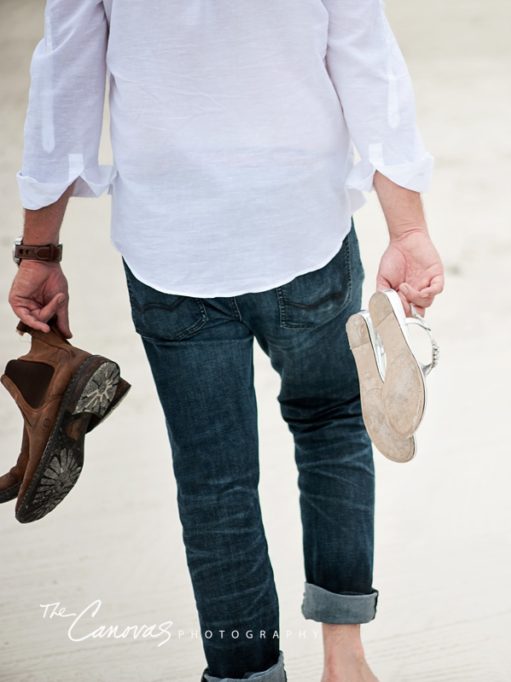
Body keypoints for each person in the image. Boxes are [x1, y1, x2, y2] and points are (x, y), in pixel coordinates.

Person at [9, 1, 444, 680]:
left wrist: (39, 246)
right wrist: (408, 227)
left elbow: (66, 76)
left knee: (214, 481)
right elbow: (366, 59)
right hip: (302, 223)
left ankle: (245, 673)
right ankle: (345, 655)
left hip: (172, 245)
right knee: (331, 424)